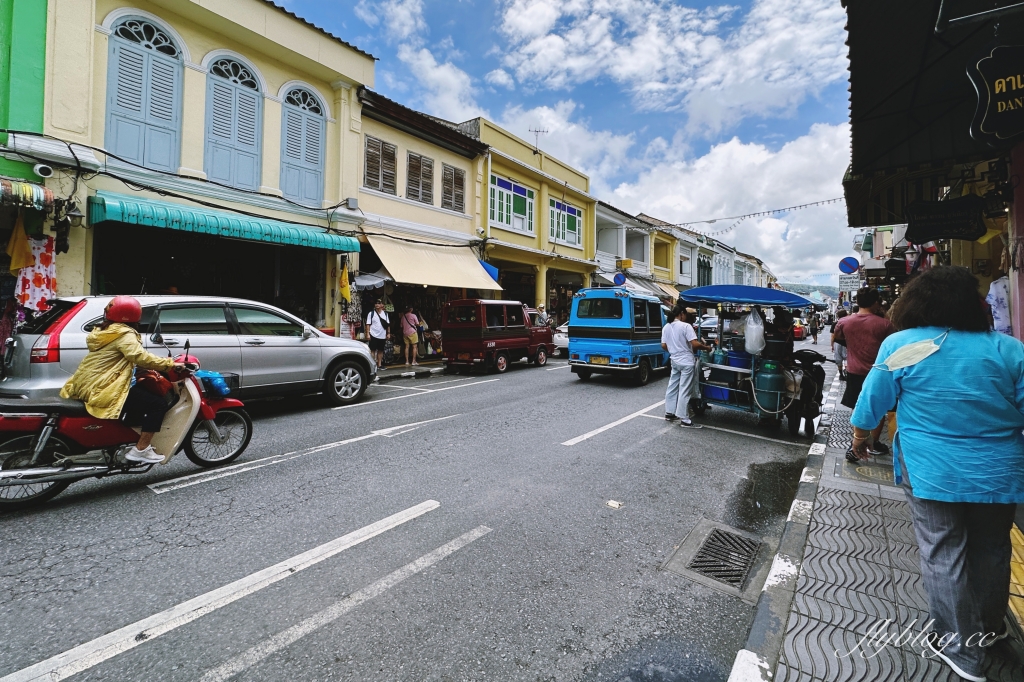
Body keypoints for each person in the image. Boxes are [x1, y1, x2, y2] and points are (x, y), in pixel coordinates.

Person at [850, 267, 1024, 682]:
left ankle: (961, 649)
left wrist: (859, 438)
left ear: (916, 302)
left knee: (944, 551)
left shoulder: (906, 344)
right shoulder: (1009, 349)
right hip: (998, 470)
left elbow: (873, 400)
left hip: (932, 470)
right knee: (993, 548)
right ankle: (991, 627)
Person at [60, 296, 188, 465]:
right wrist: (170, 364)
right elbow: (138, 356)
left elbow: (121, 357)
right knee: (157, 404)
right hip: (106, 386)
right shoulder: (124, 333)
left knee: (140, 395)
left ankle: (126, 439)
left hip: (89, 382)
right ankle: (141, 449)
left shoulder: (106, 331)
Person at [834, 288, 894, 462]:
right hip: (879, 372)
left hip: (854, 371)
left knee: (858, 405)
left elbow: (839, 339)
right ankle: (873, 442)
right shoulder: (885, 324)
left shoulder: (844, 322)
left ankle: (858, 438)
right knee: (879, 409)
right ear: (876, 302)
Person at [662, 308, 711, 427]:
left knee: (672, 386)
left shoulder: (666, 327)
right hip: (686, 362)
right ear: (682, 314)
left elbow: (663, 345)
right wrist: (706, 348)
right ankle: (684, 418)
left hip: (674, 360)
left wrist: (673, 351)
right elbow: (695, 344)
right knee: (684, 389)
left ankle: (669, 412)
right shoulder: (685, 326)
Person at [365, 300, 390, 369]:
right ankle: (372, 365)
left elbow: (388, 325)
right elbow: (368, 324)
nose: (377, 304)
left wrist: (388, 333)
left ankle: (379, 364)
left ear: (382, 305)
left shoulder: (385, 314)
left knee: (380, 350)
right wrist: (368, 334)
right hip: (373, 334)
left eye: (379, 303)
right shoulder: (371, 313)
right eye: (376, 303)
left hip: (382, 335)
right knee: (372, 350)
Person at [830, 309, 849, 380]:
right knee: (847, 358)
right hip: (846, 343)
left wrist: (832, 345)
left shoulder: (835, 323)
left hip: (837, 343)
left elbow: (832, 336)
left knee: (838, 359)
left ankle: (841, 375)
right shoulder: (848, 323)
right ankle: (847, 373)